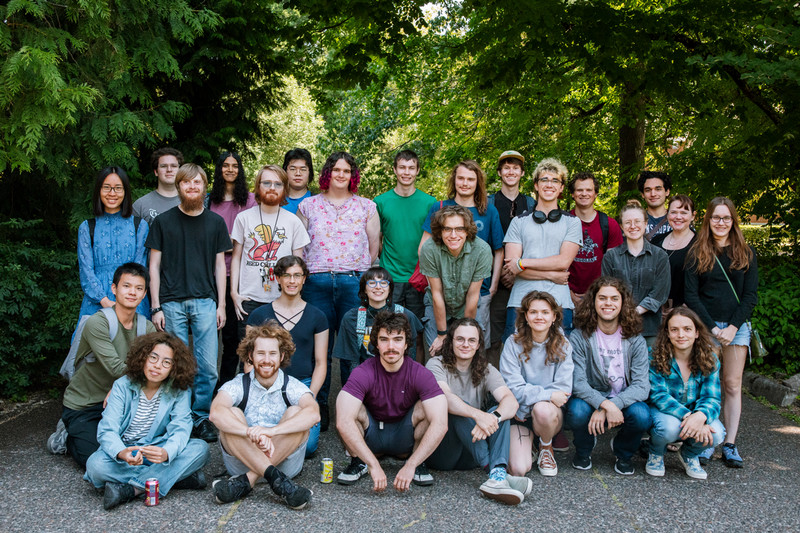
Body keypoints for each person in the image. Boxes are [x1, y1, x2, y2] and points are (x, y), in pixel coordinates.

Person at [146, 163, 232, 443]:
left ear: (204, 186)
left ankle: (201, 416)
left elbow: (221, 266)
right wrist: (155, 305)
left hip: (206, 302)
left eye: (197, 183)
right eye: (186, 183)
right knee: (175, 365)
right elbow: (154, 266)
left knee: (208, 367)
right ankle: (178, 416)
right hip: (171, 303)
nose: (192, 187)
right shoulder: (163, 222)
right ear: (179, 186)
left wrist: (221, 305)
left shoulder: (215, 222)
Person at [297, 151, 380, 430]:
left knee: (354, 348)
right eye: (336, 170)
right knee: (317, 349)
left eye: (346, 171)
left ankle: (352, 408)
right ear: (327, 174)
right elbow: (299, 246)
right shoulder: (308, 206)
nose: (341, 175)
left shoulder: (366, 206)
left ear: (352, 175)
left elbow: (373, 246)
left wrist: (361, 276)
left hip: (353, 284)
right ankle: (317, 408)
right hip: (316, 283)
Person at [84, 332, 209, 509]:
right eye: (153, 358)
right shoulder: (122, 385)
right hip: (129, 451)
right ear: (143, 357)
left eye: (166, 362)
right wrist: (122, 453)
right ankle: (177, 478)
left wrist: (166, 452)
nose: (157, 366)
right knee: (95, 466)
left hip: (159, 450)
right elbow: (107, 429)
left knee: (200, 449)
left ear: (174, 368)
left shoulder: (178, 391)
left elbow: (181, 427)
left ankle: (131, 490)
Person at [209, 322, 319, 509]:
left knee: (297, 413)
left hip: (283, 464)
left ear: (282, 356)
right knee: (231, 414)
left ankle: (248, 481)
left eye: (272, 353)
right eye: (260, 353)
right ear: (250, 356)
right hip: (241, 462)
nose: (266, 360)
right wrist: (249, 432)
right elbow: (215, 413)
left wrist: (271, 432)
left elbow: (314, 414)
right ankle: (280, 484)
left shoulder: (292, 385)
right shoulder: (238, 384)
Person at [335, 311, 448, 492]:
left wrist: (410, 464)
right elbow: (343, 421)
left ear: (406, 344)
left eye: (397, 339)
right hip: (371, 436)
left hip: (405, 437)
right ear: (376, 344)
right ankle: (359, 461)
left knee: (427, 409)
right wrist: (373, 464)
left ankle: (419, 463)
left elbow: (441, 423)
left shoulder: (420, 373)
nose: (391, 346)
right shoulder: (363, 372)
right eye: (384, 339)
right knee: (351, 408)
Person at [684, 196, 758, 468]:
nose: (721, 222)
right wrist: (713, 328)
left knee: (731, 385)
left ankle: (730, 443)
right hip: (705, 327)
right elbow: (692, 296)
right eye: (716, 217)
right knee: (706, 386)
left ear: (733, 221)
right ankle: (705, 440)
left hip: (736, 328)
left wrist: (733, 327)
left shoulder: (745, 253)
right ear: (708, 220)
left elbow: (750, 296)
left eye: (726, 218)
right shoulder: (697, 252)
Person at [426, 318, 532, 505]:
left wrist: (493, 417)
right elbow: (446, 399)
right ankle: (497, 476)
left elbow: (511, 402)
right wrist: (477, 415)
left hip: (472, 452)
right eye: (460, 339)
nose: (465, 344)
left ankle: (497, 475)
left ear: (478, 345)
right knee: (457, 408)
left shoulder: (485, 369)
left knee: (499, 412)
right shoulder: (435, 364)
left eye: (471, 340)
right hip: (443, 452)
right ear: (450, 342)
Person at [61, 263, 156, 468]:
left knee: (144, 449)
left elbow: (156, 370)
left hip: (121, 405)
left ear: (144, 293)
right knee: (97, 458)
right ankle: (67, 438)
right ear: (114, 289)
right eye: (126, 286)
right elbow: (115, 368)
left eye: (139, 288)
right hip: (85, 406)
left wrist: (118, 387)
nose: (132, 292)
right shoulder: (98, 323)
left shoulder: (146, 327)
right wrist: (129, 380)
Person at [229, 165, 310, 377]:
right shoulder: (244, 218)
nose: (272, 188)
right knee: (249, 357)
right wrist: (234, 293)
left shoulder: (292, 221)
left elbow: (298, 262)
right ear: (258, 186)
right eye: (266, 183)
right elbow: (236, 257)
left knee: (281, 357)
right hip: (250, 298)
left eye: (277, 184)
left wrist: (296, 296)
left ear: (284, 188)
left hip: (282, 299)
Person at [566, 277, 651, 475]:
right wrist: (605, 405)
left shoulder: (635, 339)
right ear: (593, 302)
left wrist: (614, 405)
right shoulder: (580, 336)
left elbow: (641, 386)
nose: (608, 303)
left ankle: (623, 451)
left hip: (624, 398)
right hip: (592, 397)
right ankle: (584, 450)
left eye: (614, 298)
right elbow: (577, 383)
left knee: (642, 416)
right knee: (576, 411)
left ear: (623, 303)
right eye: (602, 298)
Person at [246, 256, 327, 456]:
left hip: (302, 385)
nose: (292, 281)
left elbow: (321, 362)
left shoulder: (318, 316)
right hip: (265, 385)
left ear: (304, 279)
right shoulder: (258, 315)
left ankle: (274, 444)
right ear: (278, 279)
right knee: (252, 437)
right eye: (287, 275)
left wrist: (310, 396)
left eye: (297, 275)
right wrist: (254, 391)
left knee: (307, 447)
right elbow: (248, 361)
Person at [420, 160, 504, 340]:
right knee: (440, 344)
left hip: (477, 286)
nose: (465, 183)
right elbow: (424, 246)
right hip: (442, 283)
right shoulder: (440, 207)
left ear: (478, 182)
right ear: (454, 180)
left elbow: (497, 250)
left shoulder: (488, 210)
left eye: (470, 179)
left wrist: (494, 285)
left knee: (470, 342)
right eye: (461, 178)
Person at [502, 157, 582, 340]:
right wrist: (551, 275)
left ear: (561, 188)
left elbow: (563, 262)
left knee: (559, 360)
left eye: (555, 180)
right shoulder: (518, 222)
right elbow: (512, 269)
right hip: (520, 302)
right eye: (544, 179)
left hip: (560, 303)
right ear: (536, 185)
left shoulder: (572, 222)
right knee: (515, 360)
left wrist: (523, 262)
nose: (549, 184)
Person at [499, 291, 573, 477]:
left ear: (554, 316)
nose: (539, 317)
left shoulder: (563, 345)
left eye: (545, 312)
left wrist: (543, 400)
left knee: (542, 409)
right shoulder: (512, 343)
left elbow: (563, 390)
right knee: (517, 468)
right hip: (521, 412)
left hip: (549, 414)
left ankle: (546, 447)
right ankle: (530, 443)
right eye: (533, 312)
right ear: (525, 316)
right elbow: (512, 386)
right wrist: (546, 395)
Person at [645, 307, 725, 480]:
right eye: (674, 330)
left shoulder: (710, 358)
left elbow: (712, 397)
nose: (681, 335)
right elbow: (657, 395)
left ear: (696, 332)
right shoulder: (655, 356)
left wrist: (701, 415)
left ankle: (689, 454)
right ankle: (656, 452)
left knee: (717, 433)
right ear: (667, 333)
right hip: (664, 412)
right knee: (669, 428)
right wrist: (690, 417)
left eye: (687, 329)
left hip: (695, 412)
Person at [207, 152, 257, 389]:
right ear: (219, 169)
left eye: (234, 165)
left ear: (240, 170)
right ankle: (216, 387)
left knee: (235, 338)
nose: (229, 169)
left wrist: (225, 241)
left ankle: (232, 385)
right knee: (211, 336)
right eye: (225, 165)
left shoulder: (249, 200)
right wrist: (230, 241)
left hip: (239, 277)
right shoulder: (209, 200)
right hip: (213, 276)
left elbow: (252, 238)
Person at [77, 166, 149, 322]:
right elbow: (86, 271)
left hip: (133, 300)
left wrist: (124, 301)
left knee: (135, 345)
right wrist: (104, 300)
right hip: (97, 301)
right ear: (98, 191)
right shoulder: (87, 227)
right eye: (107, 188)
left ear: (125, 192)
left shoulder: (140, 226)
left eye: (118, 188)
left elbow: (139, 267)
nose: (112, 193)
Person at [419, 205, 492, 356]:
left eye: (459, 229)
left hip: (467, 304)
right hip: (438, 303)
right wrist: (442, 335)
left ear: (467, 230)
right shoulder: (429, 249)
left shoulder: (482, 250)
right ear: (440, 231)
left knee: (468, 350)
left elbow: (473, 295)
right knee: (436, 352)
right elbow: (436, 293)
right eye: (447, 229)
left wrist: (464, 334)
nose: (453, 235)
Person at [374, 150, 436, 320]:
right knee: (388, 326)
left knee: (417, 330)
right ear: (394, 170)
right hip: (390, 277)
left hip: (419, 276)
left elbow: (433, 242)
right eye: (402, 167)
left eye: (411, 168)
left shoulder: (430, 203)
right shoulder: (380, 202)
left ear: (417, 171)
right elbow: (377, 238)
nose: (406, 172)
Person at [602, 200, 670, 346]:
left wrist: (634, 312)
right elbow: (606, 291)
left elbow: (660, 293)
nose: (633, 226)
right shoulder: (610, 257)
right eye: (628, 222)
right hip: (618, 328)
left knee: (650, 368)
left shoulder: (660, 256)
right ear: (621, 226)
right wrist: (622, 313)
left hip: (650, 330)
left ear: (645, 224)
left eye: (637, 221)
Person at [489, 150, 536, 349]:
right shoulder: (488, 203)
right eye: (506, 168)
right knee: (494, 335)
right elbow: (485, 242)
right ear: (499, 172)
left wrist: (517, 272)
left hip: (525, 277)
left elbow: (536, 242)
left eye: (515, 168)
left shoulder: (533, 204)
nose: (511, 172)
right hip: (494, 279)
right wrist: (500, 273)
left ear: (522, 173)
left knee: (526, 332)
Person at [333, 267, 425, 366]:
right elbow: (351, 361)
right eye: (372, 283)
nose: (378, 287)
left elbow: (410, 356)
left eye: (383, 283)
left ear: (390, 289)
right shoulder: (352, 318)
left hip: (397, 374)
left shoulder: (405, 315)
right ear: (364, 289)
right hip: (366, 375)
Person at [567, 172, 623, 308]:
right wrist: (569, 294)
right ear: (573, 194)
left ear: (595, 193)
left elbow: (615, 268)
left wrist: (598, 295)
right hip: (566, 295)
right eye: (579, 190)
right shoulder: (563, 222)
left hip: (600, 298)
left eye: (588, 190)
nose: (584, 194)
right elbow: (555, 262)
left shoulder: (609, 225)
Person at [650, 195, 697, 308]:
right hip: (656, 309)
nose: (678, 217)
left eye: (684, 213)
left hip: (688, 312)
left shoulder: (701, 244)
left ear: (693, 216)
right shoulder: (656, 241)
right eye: (674, 212)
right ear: (667, 214)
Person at [132, 147, 184, 225]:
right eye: (163, 166)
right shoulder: (140, 206)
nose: (169, 169)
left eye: (173, 166)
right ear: (156, 172)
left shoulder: (191, 202)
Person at [637, 170, 672, 241]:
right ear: (642, 194)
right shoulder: (635, 221)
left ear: (667, 192)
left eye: (658, 189)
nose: (653, 194)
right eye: (648, 190)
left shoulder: (678, 219)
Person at [282, 148, 315, 214]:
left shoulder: (317, 201)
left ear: (309, 172)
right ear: (285, 171)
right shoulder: (276, 200)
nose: (298, 173)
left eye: (303, 169)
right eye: (293, 169)